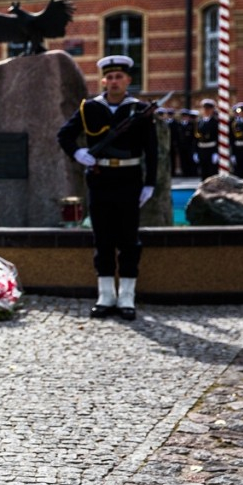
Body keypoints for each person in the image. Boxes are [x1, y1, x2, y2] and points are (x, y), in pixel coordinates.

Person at [57, 55, 157, 321]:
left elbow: (152, 149)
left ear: (128, 80)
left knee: (128, 239)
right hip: (100, 179)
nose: (114, 82)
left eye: (119, 77)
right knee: (102, 238)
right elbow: (64, 135)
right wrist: (78, 153)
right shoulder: (89, 107)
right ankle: (105, 295)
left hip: (129, 178)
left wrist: (150, 183)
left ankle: (126, 296)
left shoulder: (139, 110)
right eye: (110, 77)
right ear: (103, 80)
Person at [194, 99, 220, 180]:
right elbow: (196, 139)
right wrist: (195, 152)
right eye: (205, 108)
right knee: (203, 173)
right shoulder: (199, 122)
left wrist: (216, 152)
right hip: (202, 150)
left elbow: (218, 138)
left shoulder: (216, 122)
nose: (206, 110)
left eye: (209, 108)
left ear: (212, 110)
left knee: (212, 173)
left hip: (211, 150)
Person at [177, 109, 197, 177]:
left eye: (186, 116)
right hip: (181, 145)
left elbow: (195, 136)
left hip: (190, 145)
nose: (185, 117)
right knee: (183, 160)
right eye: (183, 116)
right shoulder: (179, 125)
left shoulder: (192, 125)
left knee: (190, 159)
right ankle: (184, 173)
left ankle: (191, 173)